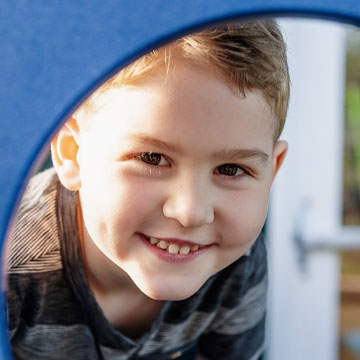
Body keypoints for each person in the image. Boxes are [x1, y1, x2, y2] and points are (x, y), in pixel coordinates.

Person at [6, 19, 289, 360]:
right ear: (72, 155)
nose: (191, 211)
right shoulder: (13, 263)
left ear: (271, 172)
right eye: (153, 158)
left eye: (231, 169)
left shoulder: (237, 262)